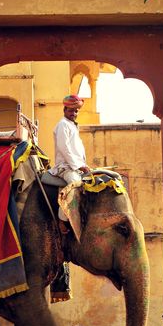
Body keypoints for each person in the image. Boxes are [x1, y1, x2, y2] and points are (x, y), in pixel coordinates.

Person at [49, 94, 90, 234]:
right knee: (74, 185)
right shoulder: (62, 125)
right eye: (71, 111)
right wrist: (78, 166)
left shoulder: (72, 126)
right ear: (64, 110)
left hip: (76, 167)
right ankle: (62, 220)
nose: (74, 113)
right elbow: (64, 148)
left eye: (76, 111)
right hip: (65, 168)